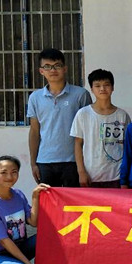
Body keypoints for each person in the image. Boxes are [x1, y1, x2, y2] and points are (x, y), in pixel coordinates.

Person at [27, 48, 92, 186]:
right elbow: (34, 131)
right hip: (45, 161)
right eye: (47, 66)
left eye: (57, 65)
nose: (52, 70)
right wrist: (33, 163)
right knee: (49, 199)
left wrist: (83, 166)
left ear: (65, 68)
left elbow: (87, 131)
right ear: (41, 71)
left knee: (73, 200)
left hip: (74, 161)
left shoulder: (81, 94)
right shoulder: (35, 97)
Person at [71, 69, 130, 188]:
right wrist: (81, 172)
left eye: (106, 85)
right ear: (92, 89)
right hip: (91, 175)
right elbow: (78, 144)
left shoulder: (122, 115)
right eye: (97, 86)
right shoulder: (83, 114)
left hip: (117, 175)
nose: (102, 89)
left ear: (112, 87)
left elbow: (128, 145)